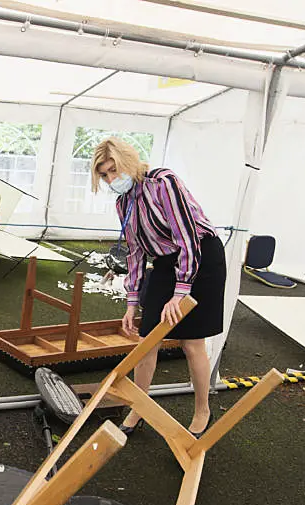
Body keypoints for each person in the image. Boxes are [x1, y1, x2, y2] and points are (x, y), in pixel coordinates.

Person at [91, 137, 226, 437]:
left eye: (114, 170)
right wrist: (131, 302)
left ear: (128, 161)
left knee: (192, 343)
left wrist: (180, 293)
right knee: (146, 339)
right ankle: (140, 407)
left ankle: (203, 409)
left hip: (202, 258)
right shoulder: (122, 202)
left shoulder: (163, 182)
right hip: (166, 262)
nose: (112, 179)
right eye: (104, 175)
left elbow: (187, 238)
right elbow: (136, 252)